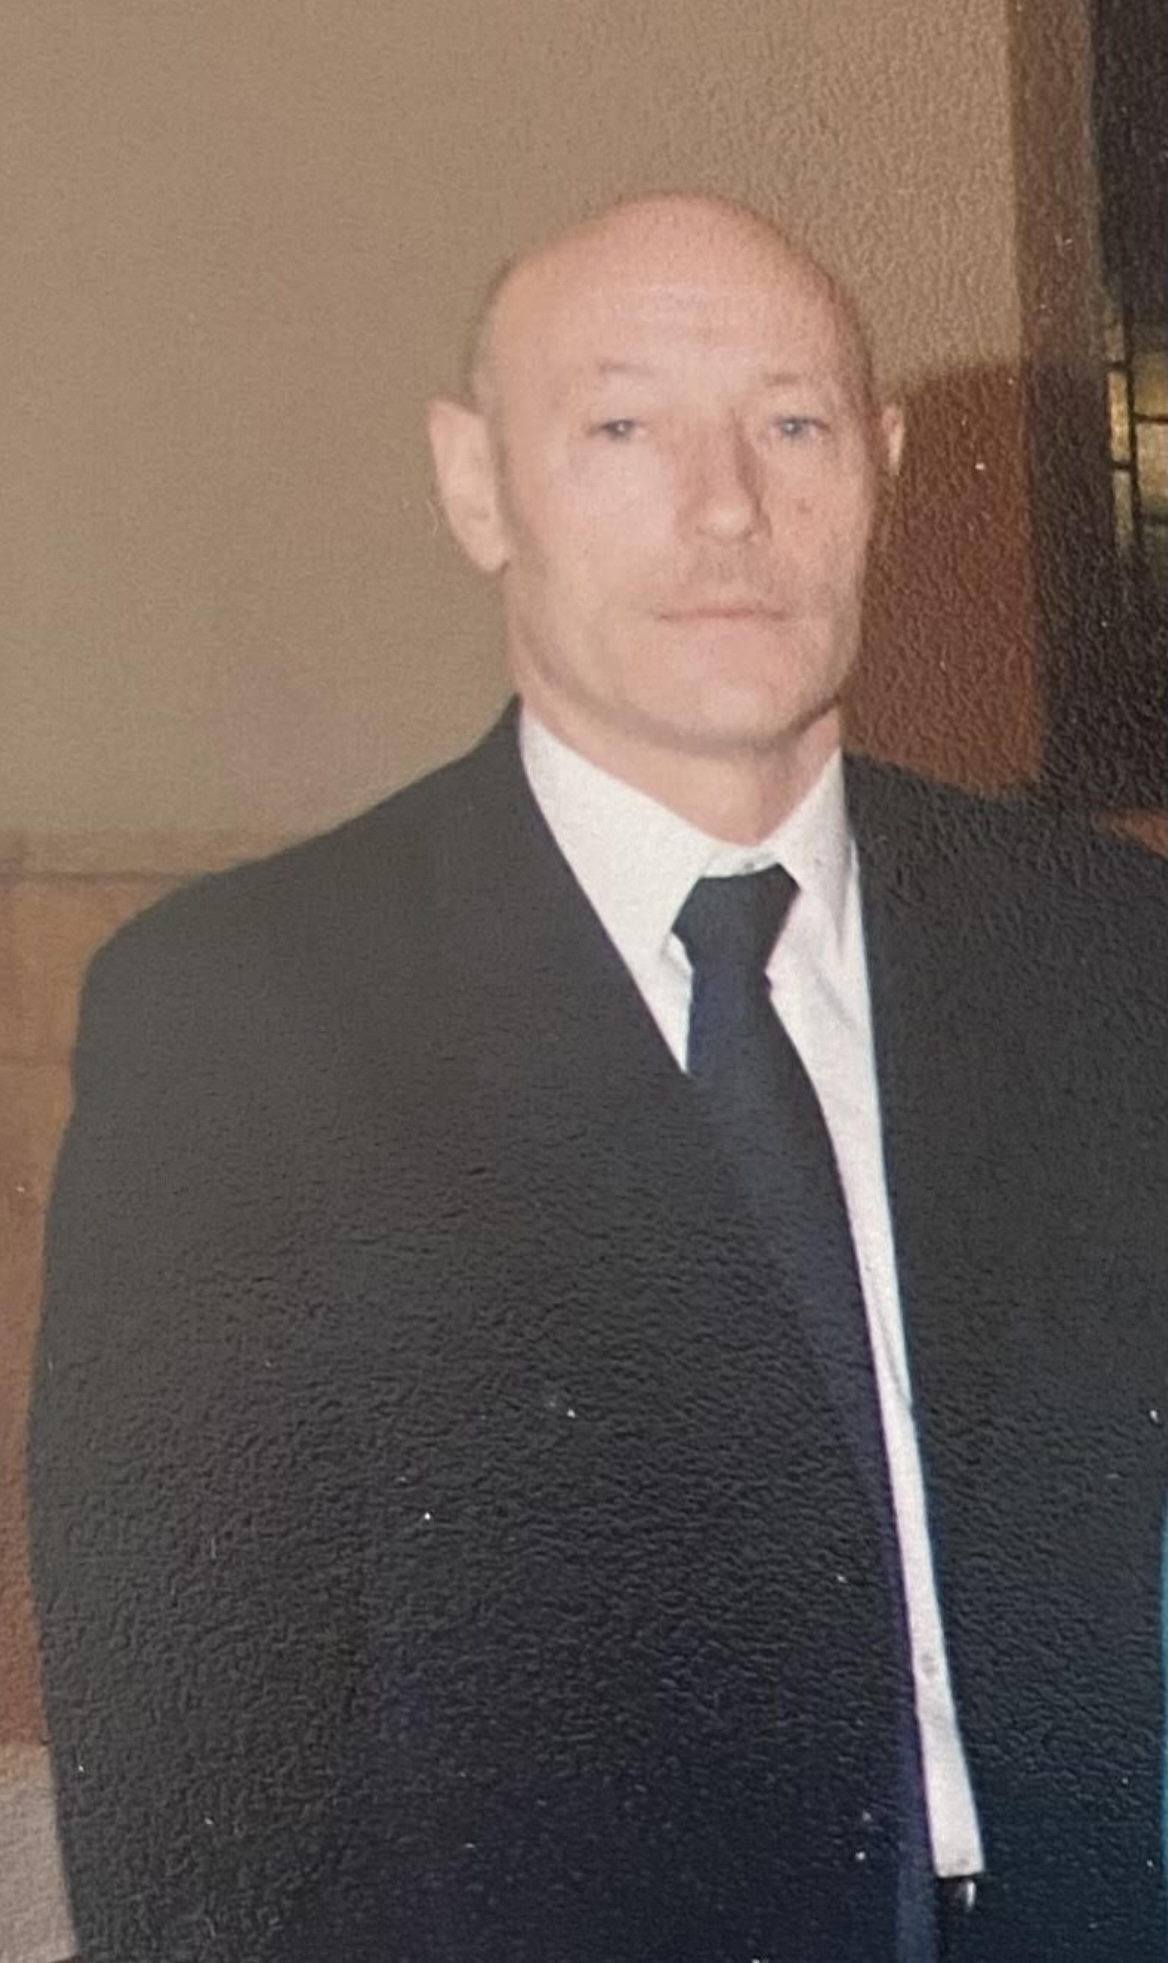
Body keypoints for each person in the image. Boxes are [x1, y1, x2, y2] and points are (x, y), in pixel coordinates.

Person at [27, 192, 1168, 1963]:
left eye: (793, 426)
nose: (728, 506)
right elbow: (191, 1801)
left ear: (882, 467)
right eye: (624, 428)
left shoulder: (1102, 946)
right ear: (475, 484)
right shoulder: (244, 1020)